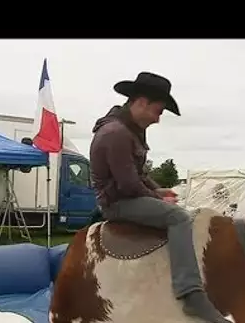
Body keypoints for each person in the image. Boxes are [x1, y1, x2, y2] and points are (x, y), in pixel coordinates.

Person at [89, 71, 230, 323]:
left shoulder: (128, 129)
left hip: (126, 196)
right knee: (178, 218)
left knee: (179, 211)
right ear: (141, 102)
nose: (158, 119)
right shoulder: (116, 134)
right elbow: (129, 185)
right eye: (158, 111)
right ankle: (191, 295)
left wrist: (158, 189)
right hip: (117, 204)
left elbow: (138, 174)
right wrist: (156, 196)